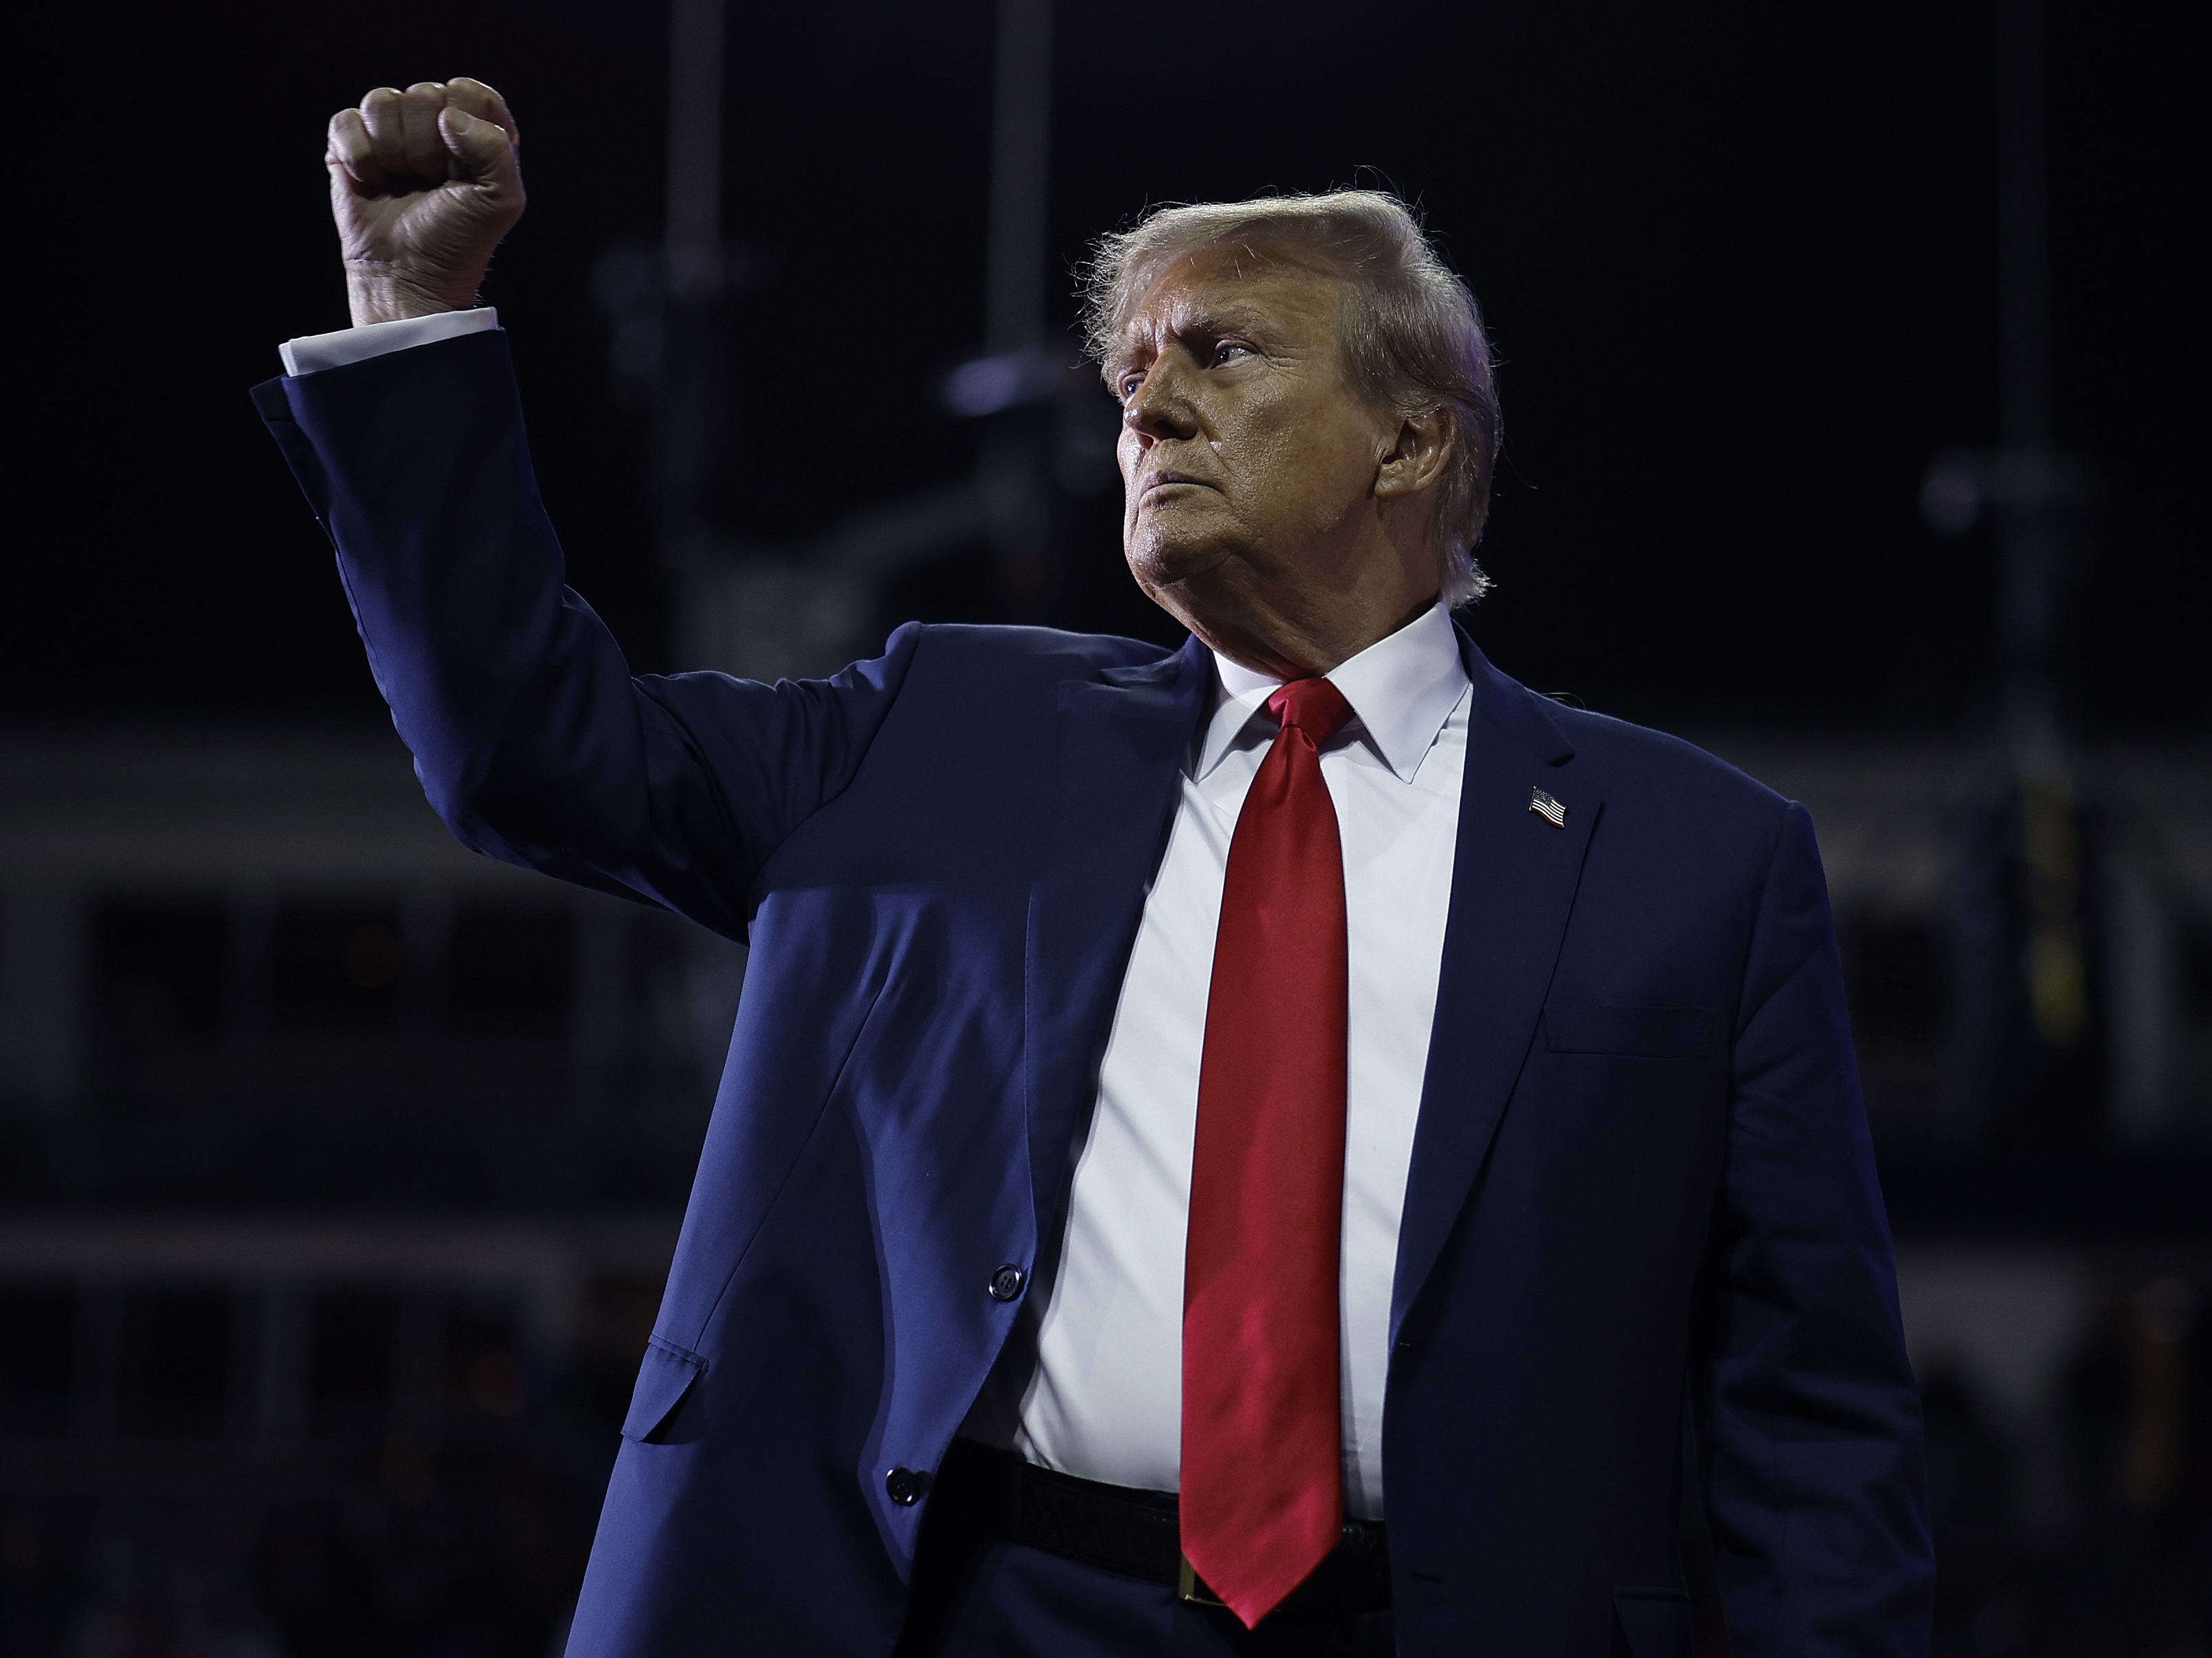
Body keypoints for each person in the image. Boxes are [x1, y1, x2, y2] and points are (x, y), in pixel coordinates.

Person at [254, 77, 1934, 1658]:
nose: (1146, 407)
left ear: (1410, 444)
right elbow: (527, 749)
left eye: (1218, 352)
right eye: (1128, 374)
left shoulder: (1698, 860)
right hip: (972, 1602)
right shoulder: (942, 725)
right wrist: (412, 321)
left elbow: (1810, 1421)